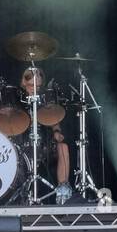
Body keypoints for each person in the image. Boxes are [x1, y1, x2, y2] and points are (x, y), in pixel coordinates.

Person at [16, 66, 72, 203]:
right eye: (31, 86)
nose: (34, 88)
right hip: (22, 144)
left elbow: (54, 121)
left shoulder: (44, 101)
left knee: (63, 147)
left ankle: (63, 191)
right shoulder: (18, 100)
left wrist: (57, 132)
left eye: (38, 86)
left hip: (44, 143)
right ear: (24, 83)